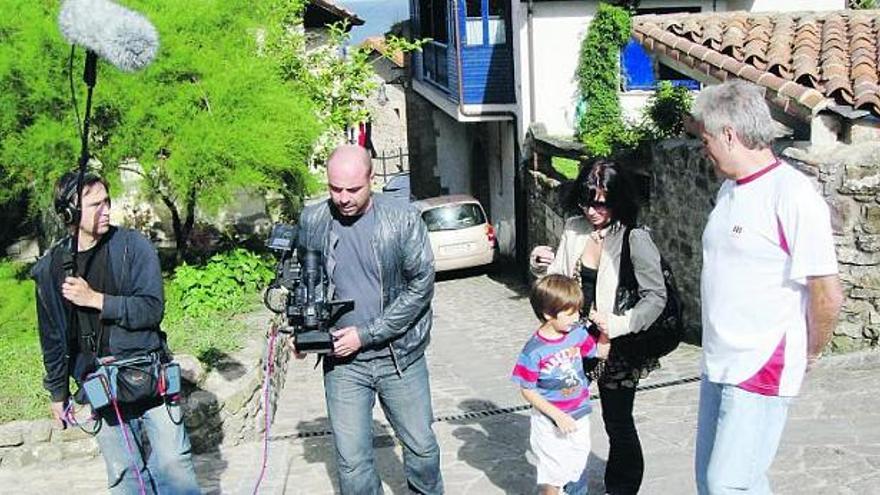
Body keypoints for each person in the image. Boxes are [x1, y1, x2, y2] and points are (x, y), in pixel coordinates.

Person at [691, 80, 843, 494]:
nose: (704, 148)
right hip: (719, 361)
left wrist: (809, 350)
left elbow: (826, 291)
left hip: (762, 362)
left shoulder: (792, 195)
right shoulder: (728, 191)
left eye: (706, 138)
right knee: (715, 482)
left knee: (728, 485)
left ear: (729, 134)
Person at [31, 171, 200, 494]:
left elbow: (151, 309)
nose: (106, 209)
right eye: (96, 204)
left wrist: (96, 300)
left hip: (148, 373)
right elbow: (52, 338)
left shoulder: (134, 246)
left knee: (173, 466)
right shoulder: (51, 267)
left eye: (107, 201)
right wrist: (57, 393)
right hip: (98, 382)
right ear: (69, 214)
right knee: (124, 474)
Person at [295, 144, 443, 494]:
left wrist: (366, 334)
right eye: (334, 189)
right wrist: (304, 329)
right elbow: (305, 280)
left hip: (399, 357)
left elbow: (421, 286)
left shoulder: (403, 218)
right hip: (343, 364)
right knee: (352, 463)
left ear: (372, 180)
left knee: (422, 449)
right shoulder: (313, 220)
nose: (343, 198)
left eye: (352, 189)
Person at [530, 159, 667, 495]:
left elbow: (656, 296)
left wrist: (619, 324)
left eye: (601, 203)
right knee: (563, 416)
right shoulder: (575, 228)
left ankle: (620, 489)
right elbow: (558, 284)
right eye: (587, 201)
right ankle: (566, 482)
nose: (593, 211)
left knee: (617, 423)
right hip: (574, 342)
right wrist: (538, 268)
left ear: (618, 200)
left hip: (617, 344)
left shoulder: (634, 237)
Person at [512, 274, 609, 495]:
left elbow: (600, 352)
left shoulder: (577, 334)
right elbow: (526, 389)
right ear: (548, 314)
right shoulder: (534, 350)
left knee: (578, 463)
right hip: (549, 421)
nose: (576, 317)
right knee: (553, 473)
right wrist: (556, 415)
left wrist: (606, 331)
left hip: (580, 413)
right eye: (570, 313)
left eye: (577, 310)